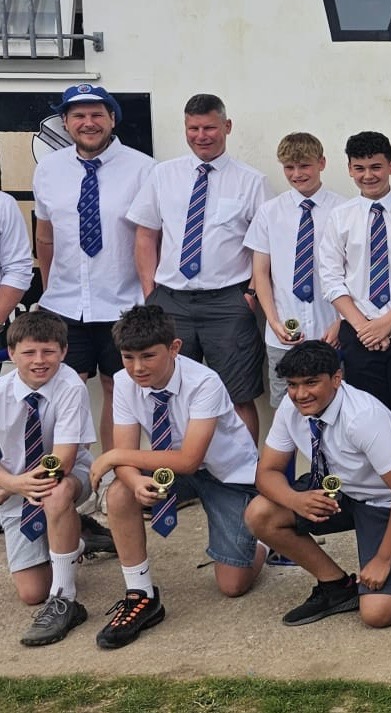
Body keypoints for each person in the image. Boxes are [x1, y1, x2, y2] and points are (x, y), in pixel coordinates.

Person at [89, 305, 264, 649]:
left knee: (232, 585)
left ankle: (264, 539)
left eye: (148, 356)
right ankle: (140, 594)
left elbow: (189, 459)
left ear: (174, 348)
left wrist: (115, 456)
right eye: (128, 357)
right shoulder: (124, 382)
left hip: (225, 473)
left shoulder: (204, 382)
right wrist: (133, 480)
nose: (138, 367)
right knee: (120, 493)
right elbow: (126, 453)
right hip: (170, 466)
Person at [245, 341, 391, 629]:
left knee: (378, 613)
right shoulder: (290, 405)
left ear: (336, 378)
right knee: (259, 513)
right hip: (340, 489)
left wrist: (383, 559)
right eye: (293, 385)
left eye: (311, 382)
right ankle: (335, 586)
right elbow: (266, 473)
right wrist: (296, 501)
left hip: (386, 499)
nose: (300, 394)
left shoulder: (362, 417)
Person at [127, 94, 268, 439]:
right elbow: (146, 235)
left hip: (228, 303)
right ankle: (174, 468)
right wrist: (151, 293)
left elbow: (265, 245)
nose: (201, 136)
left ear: (227, 127)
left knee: (239, 396)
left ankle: (244, 470)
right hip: (170, 301)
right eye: (193, 128)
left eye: (209, 127)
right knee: (167, 392)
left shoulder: (252, 181)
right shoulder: (163, 175)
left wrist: (250, 295)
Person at [34, 83, 153, 473]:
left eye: (97, 115)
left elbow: (153, 238)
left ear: (112, 119)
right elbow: (45, 237)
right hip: (65, 304)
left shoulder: (143, 169)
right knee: (63, 391)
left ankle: (116, 477)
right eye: (79, 116)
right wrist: (50, 290)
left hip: (124, 304)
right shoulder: (48, 170)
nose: (88, 123)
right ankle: (63, 481)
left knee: (119, 391)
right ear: (66, 123)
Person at [318, 132, 391, 464]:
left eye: (376, 167)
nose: (368, 175)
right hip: (357, 328)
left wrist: (386, 323)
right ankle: (372, 490)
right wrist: (364, 328)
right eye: (359, 168)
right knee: (365, 414)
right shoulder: (340, 217)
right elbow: (331, 279)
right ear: (349, 170)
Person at [0, 312, 96, 646]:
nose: (39, 360)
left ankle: (64, 598)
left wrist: (18, 484)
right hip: (16, 486)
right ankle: (78, 537)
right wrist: (12, 485)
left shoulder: (70, 386)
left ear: (63, 351)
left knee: (56, 494)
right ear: (12, 353)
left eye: (48, 351)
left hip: (67, 476)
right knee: (31, 593)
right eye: (29, 352)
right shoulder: (1, 391)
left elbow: (63, 460)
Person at [245, 132, 346, 410]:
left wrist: (341, 322)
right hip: (284, 330)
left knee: (335, 405)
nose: (297, 174)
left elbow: (352, 273)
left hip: (330, 328)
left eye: (305, 166)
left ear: (322, 163)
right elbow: (261, 272)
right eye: (289, 167)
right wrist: (273, 322)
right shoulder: (269, 212)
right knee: (286, 409)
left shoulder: (344, 210)